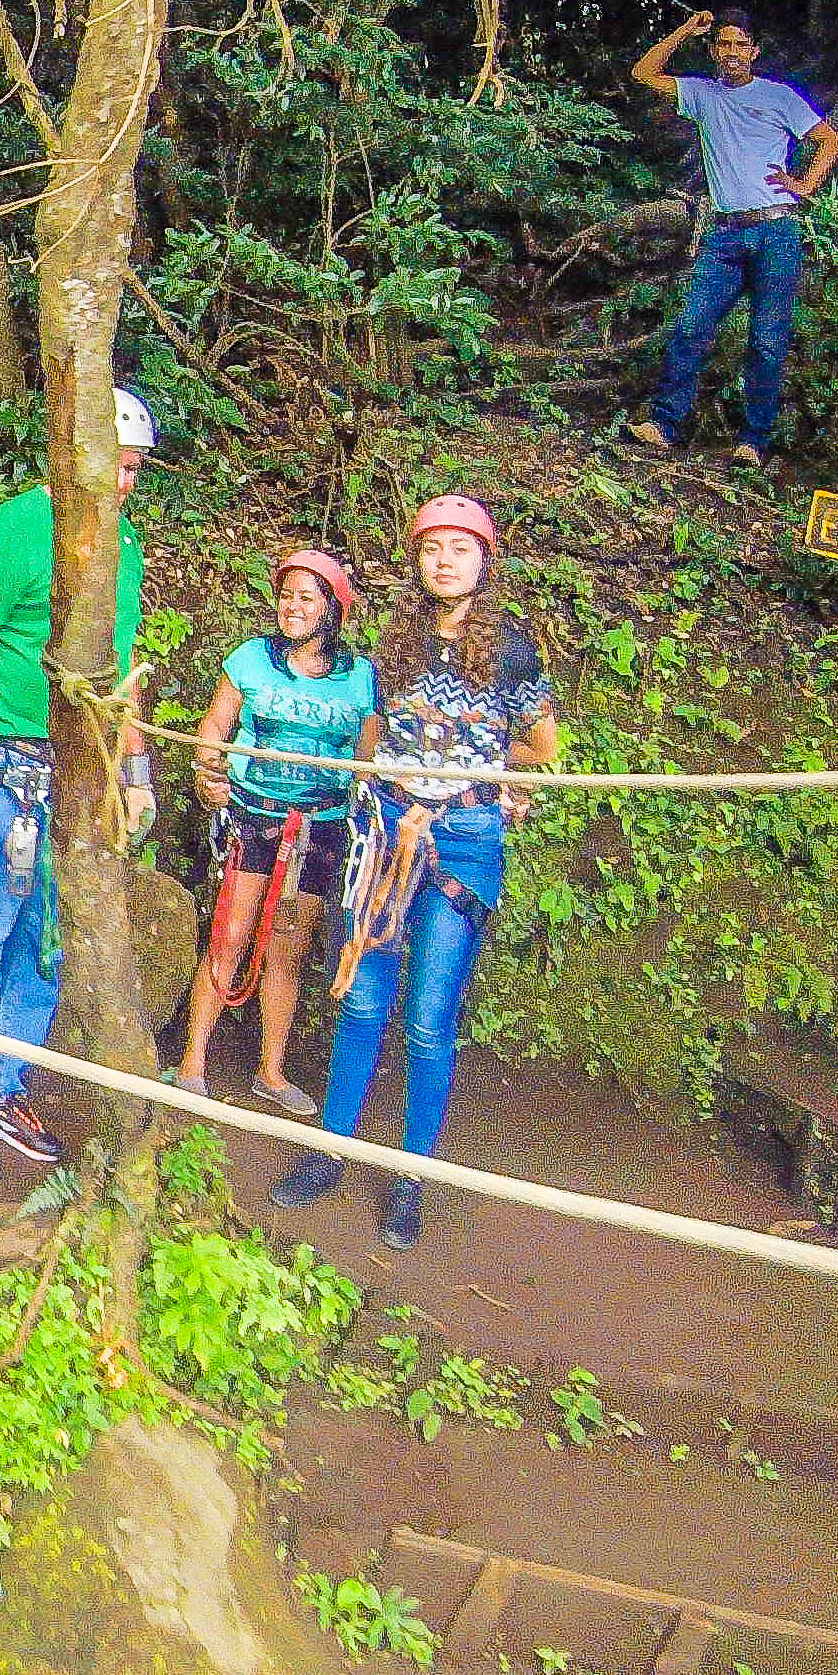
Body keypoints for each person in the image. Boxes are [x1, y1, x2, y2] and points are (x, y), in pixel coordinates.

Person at [269, 496, 559, 1251]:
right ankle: (332, 1148)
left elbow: (543, 743)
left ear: (485, 561)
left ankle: (409, 1177)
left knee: (428, 1017)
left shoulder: (512, 651)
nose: (445, 561)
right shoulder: (393, 641)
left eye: (460, 549)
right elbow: (373, 722)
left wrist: (481, 768)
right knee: (362, 1001)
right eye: (433, 548)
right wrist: (378, 773)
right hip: (385, 826)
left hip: (462, 836)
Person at [0, 390, 160, 1183]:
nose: (120, 483)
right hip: (3, 763)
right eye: (111, 465)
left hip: (77, 770)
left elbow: (120, 670)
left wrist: (135, 771)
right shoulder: (14, 532)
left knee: (44, 945)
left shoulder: (123, 546)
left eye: (132, 470)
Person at [175, 550, 373, 1112]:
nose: (292, 607)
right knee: (231, 933)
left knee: (288, 946)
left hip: (320, 825)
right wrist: (208, 772)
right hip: (252, 812)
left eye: (306, 597)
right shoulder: (251, 659)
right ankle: (193, 1060)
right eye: (287, 595)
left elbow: (367, 756)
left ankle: (272, 1071)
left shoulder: (359, 677)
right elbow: (217, 724)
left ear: (332, 608)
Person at [623, 6, 838, 471]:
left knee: (766, 340)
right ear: (714, 51)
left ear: (754, 51)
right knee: (689, 327)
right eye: (723, 44)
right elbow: (644, 72)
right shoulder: (702, 94)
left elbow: (829, 140)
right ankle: (664, 426)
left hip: (776, 230)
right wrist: (686, 30)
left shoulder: (779, 96)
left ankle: (753, 440)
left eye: (740, 44)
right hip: (723, 234)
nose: (732, 53)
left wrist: (805, 184)